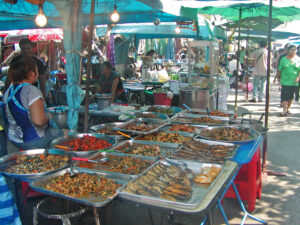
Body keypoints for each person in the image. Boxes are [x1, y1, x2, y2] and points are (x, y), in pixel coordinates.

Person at [3, 56, 63, 150]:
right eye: (36, 70)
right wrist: (49, 116)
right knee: (62, 134)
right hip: (33, 140)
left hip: (14, 140)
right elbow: (38, 121)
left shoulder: (8, 91)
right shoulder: (31, 91)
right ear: (31, 73)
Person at [274, 45, 300, 116]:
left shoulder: (298, 59)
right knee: (285, 95)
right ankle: (284, 110)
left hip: (294, 82)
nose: (292, 51)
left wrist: (298, 77)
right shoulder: (283, 59)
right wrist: (277, 77)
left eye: (294, 50)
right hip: (285, 81)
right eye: (291, 49)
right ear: (288, 50)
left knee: (291, 96)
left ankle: (287, 108)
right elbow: (280, 69)